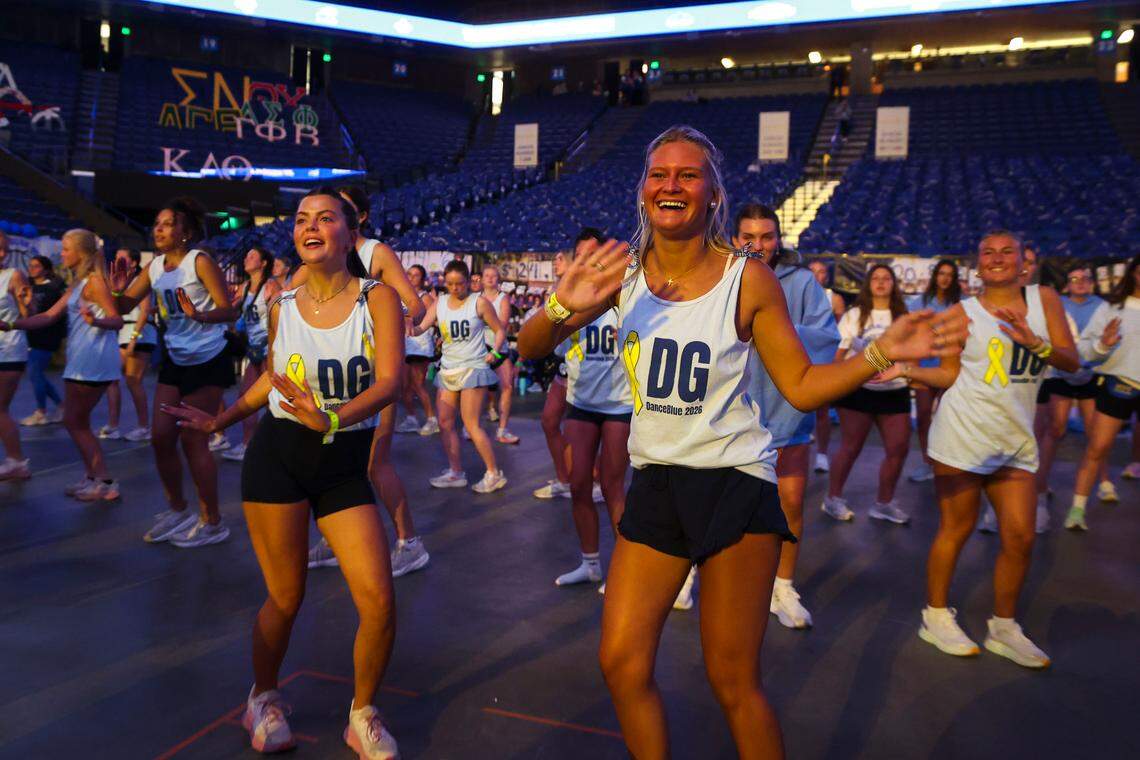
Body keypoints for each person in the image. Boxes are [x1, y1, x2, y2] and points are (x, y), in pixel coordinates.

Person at [517, 125, 964, 759]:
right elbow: (531, 349)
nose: (671, 184)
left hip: (734, 487)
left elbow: (803, 386)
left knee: (732, 681)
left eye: (687, 175)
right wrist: (561, 307)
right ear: (643, 191)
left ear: (713, 195)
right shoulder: (622, 278)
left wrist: (881, 354)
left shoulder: (748, 280)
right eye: (659, 174)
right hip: (657, 486)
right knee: (620, 662)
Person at [163, 187, 405, 758]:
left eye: (326, 218)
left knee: (379, 600)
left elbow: (390, 381)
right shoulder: (281, 303)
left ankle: (362, 714)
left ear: (352, 233)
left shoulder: (379, 300)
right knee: (286, 597)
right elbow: (272, 378)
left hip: (342, 464)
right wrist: (220, 419)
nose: (311, 226)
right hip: (279, 460)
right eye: (301, 220)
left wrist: (332, 417)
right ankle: (262, 698)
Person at [903, 230, 1077, 668]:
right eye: (988, 253)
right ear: (977, 265)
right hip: (962, 435)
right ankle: (936, 616)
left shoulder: (1045, 301)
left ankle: (1004, 627)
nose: (997, 259)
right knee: (956, 529)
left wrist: (1033, 343)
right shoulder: (960, 313)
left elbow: (1072, 362)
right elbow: (947, 375)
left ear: (1024, 261)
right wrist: (907, 371)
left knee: (1020, 536)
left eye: (1007, 252)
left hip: (1015, 438)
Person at [300, 186, 429, 579]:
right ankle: (337, 538)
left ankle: (410, 543)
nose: (326, 217)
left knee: (375, 463)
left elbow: (417, 306)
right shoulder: (318, 256)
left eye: (338, 210)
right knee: (332, 462)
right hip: (333, 375)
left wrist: (391, 315)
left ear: (360, 216)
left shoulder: (377, 253)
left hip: (374, 374)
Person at [110, 196, 239, 547]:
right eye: (157, 224)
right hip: (175, 359)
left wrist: (200, 316)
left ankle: (213, 521)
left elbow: (228, 312)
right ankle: (178, 509)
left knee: (192, 438)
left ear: (185, 232)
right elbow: (123, 305)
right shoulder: (154, 267)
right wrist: (117, 288)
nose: (159, 229)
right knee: (160, 437)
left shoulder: (200, 262)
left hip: (208, 359)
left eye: (167, 224)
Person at [734, 204, 839, 629]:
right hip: (731, 409)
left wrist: (773, 333)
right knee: (720, 504)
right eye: (749, 237)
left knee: (791, 502)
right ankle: (694, 572)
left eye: (767, 237)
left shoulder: (801, 283)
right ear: (735, 237)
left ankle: (783, 585)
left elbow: (826, 335)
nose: (758, 245)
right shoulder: (722, 276)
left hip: (787, 407)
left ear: (779, 239)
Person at [3, 229, 124, 497]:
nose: (62, 253)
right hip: (81, 359)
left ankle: (104, 482)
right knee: (75, 421)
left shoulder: (95, 283)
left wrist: (97, 321)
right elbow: (47, 316)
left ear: (81, 253)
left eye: (67, 249)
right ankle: (93, 476)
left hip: (93, 361)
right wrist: (10, 324)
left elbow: (117, 319)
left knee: (75, 421)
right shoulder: (78, 285)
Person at [553, 228, 635, 589]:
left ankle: (623, 568)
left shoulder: (625, 297)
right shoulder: (566, 300)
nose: (589, 262)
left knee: (614, 486)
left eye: (595, 255)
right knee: (579, 484)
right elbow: (547, 346)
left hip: (619, 405)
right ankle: (590, 563)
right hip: (581, 404)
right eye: (581, 255)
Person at [822, 264, 913, 524]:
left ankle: (883, 504)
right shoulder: (855, 314)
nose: (881, 282)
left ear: (894, 284)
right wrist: (834, 383)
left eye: (886, 278)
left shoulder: (904, 316)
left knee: (899, 447)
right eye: (876, 278)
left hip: (894, 390)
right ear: (868, 283)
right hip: (859, 390)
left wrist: (908, 371)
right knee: (851, 447)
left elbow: (912, 353)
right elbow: (839, 355)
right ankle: (832, 498)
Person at [412, 259, 508, 493]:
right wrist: (404, 325)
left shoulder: (480, 303)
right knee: (444, 423)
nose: (455, 288)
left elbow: (500, 330)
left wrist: (495, 351)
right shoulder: (440, 303)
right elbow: (421, 327)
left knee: (471, 424)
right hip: (448, 369)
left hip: (473, 368)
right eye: (450, 284)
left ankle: (493, 473)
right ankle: (456, 472)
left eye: (460, 283)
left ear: (468, 281)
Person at [1032, 262, 1113, 522]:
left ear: (1092, 282)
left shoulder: (1103, 307)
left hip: (1090, 373)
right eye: (1075, 278)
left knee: (1095, 431)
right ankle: (1040, 485)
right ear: (1067, 284)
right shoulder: (1058, 305)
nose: (1080, 282)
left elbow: (1106, 340)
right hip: (1060, 375)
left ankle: (1103, 481)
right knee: (1056, 429)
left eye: (1085, 278)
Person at [1064, 253, 1139, 531]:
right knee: (1097, 447)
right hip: (1118, 384)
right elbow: (1084, 350)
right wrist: (1104, 345)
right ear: (1134, 273)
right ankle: (1077, 509)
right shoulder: (1113, 308)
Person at [217, 247, 281, 462]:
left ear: (263, 263)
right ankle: (247, 444)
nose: (246, 258)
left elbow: (279, 320)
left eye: (252, 256)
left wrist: (271, 347)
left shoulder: (271, 286)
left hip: (268, 349)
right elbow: (234, 313)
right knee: (246, 399)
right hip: (253, 348)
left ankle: (276, 446)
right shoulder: (244, 287)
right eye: (246, 255)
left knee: (274, 400)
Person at [906, 259, 962, 483]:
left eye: (950, 274)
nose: (945, 278)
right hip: (925, 366)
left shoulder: (962, 304)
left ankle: (948, 461)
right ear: (935, 276)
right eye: (941, 273)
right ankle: (927, 461)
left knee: (949, 418)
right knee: (922, 416)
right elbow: (910, 334)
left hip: (954, 369)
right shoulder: (920, 302)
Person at [101, 248, 155, 443]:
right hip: (124, 333)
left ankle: (143, 426)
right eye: (115, 258)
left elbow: (145, 310)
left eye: (122, 259)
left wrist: (134, 337)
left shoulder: (140, 281)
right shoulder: (119, 283)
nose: (117, 261)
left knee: (133, 381)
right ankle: (113, 425)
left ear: (133, 262)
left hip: (140, 334)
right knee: (112, 379)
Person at [533, 249, 573, 499]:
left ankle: (594, 480)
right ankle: (565, 478)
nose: (555, 262)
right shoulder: (556, 289)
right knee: (550, 421)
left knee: (583, 430)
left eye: (560, 258)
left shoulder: (588, 289)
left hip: (589, 365)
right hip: (565, 362)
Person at [18, 255, 66, 427]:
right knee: (36, 374)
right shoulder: (28, 286)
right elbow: (26, 313)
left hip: (46, 336)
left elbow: (48, 315)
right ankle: (62, 406)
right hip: (31, 335)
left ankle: (41, 412)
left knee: (35, 373)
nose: (32, 269)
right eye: (30, 265)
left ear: (46, 269)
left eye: (36, 266)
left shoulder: (52, 289)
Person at [808, 259, 844, 474]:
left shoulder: (835, 298)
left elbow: (840, 333)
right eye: (812, 271)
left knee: (822, 410)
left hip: (823, 359)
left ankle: (822, 454)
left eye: (821, 271)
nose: (816, 275)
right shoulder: (793, 293)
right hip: (799, 356)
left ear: (826, 276)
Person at [394, 264, 439, 436]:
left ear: (422, 278)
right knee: (405, 387)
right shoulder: (400, 297)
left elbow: (433, 318)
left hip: (420, 346)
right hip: (404, 346)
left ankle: (432, 419)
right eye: (409, 274)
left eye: (416, 275)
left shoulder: (424, 297)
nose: (412, 277)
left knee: (418, 384)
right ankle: (412, 419)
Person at [0, 229, 31, 479]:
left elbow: (28, 316)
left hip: (9, 350)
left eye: (5, 249)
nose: (2, 254)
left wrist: (26, 302)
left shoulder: (14, 275)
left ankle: (17, 461)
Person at [480, 264, 520, 445]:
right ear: (481, 279)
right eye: (487, 275)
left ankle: (502, 430)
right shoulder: (476, 299)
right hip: (479, 348)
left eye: (493, 276)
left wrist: (495, 350)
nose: (490, 278)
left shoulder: (503, 298)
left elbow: (501, 326)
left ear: (498, 280)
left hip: (499, 348)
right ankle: (471, 427)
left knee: (507, 387)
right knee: (475, 390)